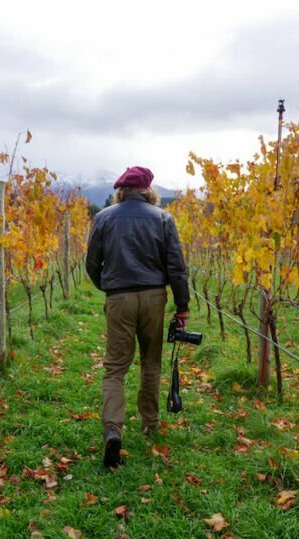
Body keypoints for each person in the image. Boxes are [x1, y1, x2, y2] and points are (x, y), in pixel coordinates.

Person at [85, 166, 189, 469]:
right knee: (151, 362)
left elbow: (92, 263)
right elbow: (176, 266)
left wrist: (109, 287)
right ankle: (150, 423)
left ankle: (113, 430)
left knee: (115, 368)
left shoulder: (104, 217)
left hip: (119, 298)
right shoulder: (163, 218)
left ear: (121, 191)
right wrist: (182, 306)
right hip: (154, 297)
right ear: (148, 190)